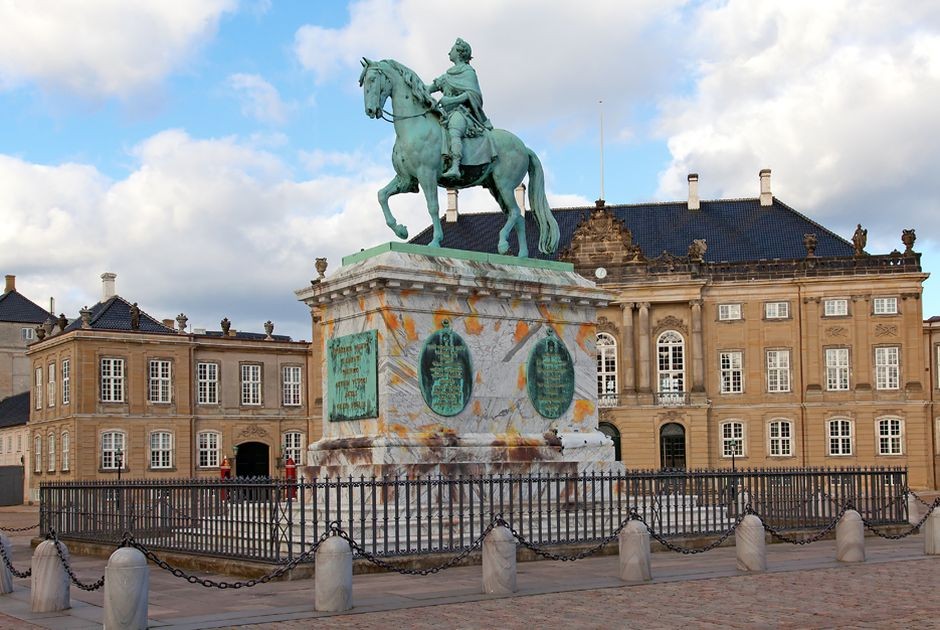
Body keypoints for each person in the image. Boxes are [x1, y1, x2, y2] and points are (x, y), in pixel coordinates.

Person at [427, 38, 493, 178]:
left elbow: (473, 94)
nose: (448, 52)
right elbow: (429, 88)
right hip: (444, 114)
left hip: (461, 113)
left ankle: (455, 166)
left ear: (459, 52)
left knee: (454, 128)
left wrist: (451, 100)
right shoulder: (447, 75)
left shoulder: (468, 72)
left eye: (451, 50)